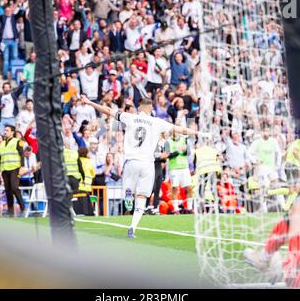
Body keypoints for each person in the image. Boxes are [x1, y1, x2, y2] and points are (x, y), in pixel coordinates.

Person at [82, 95, 210, 238]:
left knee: (129, 190)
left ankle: (128, 194)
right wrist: (200, 133)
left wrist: (89, 102)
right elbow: (181, 130)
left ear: (139, 107)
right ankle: (132, 228)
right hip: (147, 165)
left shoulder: (130, 117)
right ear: (150, 109)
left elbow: (107, 110)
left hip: (131, 162)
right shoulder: (157, 122)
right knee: (142, 198)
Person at [165, 128, 194, 213]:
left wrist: (186, 150)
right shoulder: (168, 142)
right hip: (174, 168)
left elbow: (188, 153)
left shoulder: (183, 139)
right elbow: (167, 155)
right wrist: (178, 151)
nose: (176, 132)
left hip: (184, 167)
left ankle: (189, 208)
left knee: (189, 188)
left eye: (177, 131)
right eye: (174, 131)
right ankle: (176, 209)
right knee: (175, 188)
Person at [0, 124, 25, 217]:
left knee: (14, 188)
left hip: (15, 168)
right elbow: (0, 157)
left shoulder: (17, 141)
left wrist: (22, 167)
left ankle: (23, 208)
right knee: (8, 191)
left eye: (7, 130)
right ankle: (10, 213)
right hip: (5, 169)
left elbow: (22, 154)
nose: (5, 132)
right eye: (4, 130)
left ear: (12, 132)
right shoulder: (1, 143)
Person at [76, 146, 95, 216]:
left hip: (78, 185)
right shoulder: (89, 161)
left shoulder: (77, 161)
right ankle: (88, 213)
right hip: (87, 185)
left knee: (79, 202)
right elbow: (93, 174)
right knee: (86, 201)